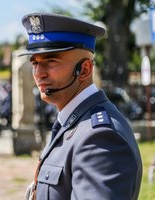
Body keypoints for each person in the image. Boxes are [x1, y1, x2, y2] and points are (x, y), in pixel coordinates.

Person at [20, 13, 142, 200]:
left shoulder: (99, 137)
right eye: (35, 63)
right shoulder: (71, 122)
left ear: (84, 70)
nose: (39, 74)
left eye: (51, 61)